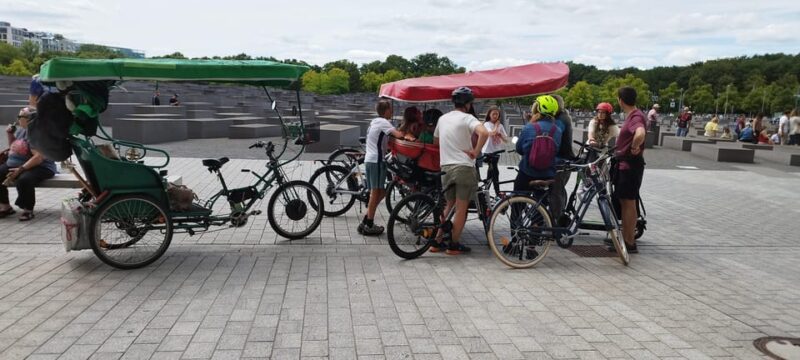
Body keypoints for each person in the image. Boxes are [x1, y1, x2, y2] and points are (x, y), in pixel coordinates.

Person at [430, 87, 489, 255]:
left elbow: (435, 141)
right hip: (464, 167)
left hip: (445, 167)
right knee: (461, 209)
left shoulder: (442, 119)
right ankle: (453, 245)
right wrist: (476, 151)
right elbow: (484, 132)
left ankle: (437, 241)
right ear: (468, 104)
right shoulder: (467, 118)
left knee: (449, 205)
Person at [358, 99, 413, 236]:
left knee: (381, 192)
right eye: (390, 109)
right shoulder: (383, 122)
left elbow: (387, 139)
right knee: (375, 193)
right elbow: (399, 135)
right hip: (376, 161)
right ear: (386, 110)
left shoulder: (375, 122)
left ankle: (366, 219)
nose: (392, 111)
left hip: (371, 160)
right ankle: (369, 224)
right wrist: (407, 122)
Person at [1, 107, 58, 221]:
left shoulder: (37, 133)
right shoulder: (23, 129)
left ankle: (28, 210)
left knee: (24, 179)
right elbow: (16, 146)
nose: (18, 119)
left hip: (40, 166)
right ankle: (5, 206)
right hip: (17, 162)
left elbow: (39, 158)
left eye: (20, 117)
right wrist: (10, 134)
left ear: (30, 118)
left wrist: (20, 169)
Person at [611, 86, 646, 254]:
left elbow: (640, 133)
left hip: (630, 166)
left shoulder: (636, 117)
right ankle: (625, 239)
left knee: (629, 202)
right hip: (626, 165)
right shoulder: (633, 115)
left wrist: (633, 147)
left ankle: (629, 242)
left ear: (620, 100)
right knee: (625, 202)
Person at [514, 95, 563, 199]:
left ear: (537, 108)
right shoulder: (557, 131)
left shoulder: (529, 127)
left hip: (527, 172)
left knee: (517, 202)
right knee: (542, 207)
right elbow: (557, 151)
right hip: (548, 174)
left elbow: (519, 149)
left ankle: (516, 213)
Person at [549, 94, 575, 222]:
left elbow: (554, 138)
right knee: (559, 190)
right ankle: (559, 216)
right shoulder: (564, 117)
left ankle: (556, 221)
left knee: (556, 192)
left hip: (561, 161)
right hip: (566, 159)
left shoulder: (560, 119)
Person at [481, 106, 508, 196]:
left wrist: (500, 135)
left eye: (497, 114)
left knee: (491, 172)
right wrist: (496, 126)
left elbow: (506, 140)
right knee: (495, 171)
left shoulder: (500, 126)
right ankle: (497, 192)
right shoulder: (487, 124)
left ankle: (486, 190)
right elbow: (491, 133)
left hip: (496, 152)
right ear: (489, 115)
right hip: (488, 152)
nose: (495, 116)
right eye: (493, 114)